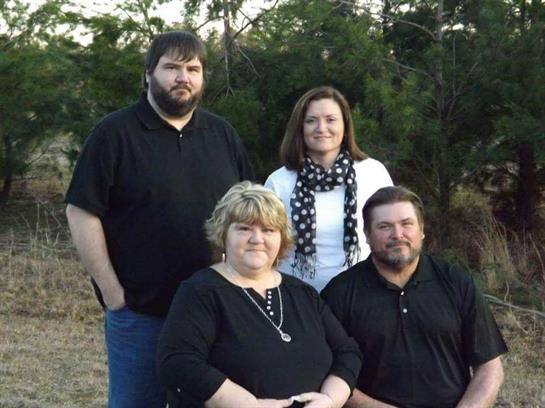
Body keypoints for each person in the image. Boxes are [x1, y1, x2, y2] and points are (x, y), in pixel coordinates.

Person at [65, 31, 254, 408]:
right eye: (171, 68)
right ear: (148, 73)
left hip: (213, 313)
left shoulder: (222, 134)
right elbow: (81, 211)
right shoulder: (114, 134)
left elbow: (248, 212)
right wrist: (113, 292)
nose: (183, 77)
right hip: (140, 314)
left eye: (193, 69)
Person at [157, 181, 362, 408]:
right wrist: (250, 405)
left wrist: (330, 400)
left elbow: (348, 352)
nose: (257, 239)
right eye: (244, 229)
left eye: (268, 230)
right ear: (223, 235)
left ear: (281, 238)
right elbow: (178, 362)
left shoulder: (303, 293)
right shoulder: (200, 292)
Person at [321, 186, 508, 408]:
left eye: (406, 224)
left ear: (421, 230)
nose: (397, 235)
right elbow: (325, 371)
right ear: (367, 235)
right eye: (384, 226)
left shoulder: (456, 282)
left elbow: (489, 367)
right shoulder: (340, 293)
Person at [265, 86, 392, 292]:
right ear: (300, 127)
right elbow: (266, 245)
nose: (321, 128)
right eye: (311, 121)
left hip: (363, 293)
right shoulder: (278, 182)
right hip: (296, 296)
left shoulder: (372, 173)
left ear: (345, 126)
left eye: (330, 119)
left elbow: (391, 232)